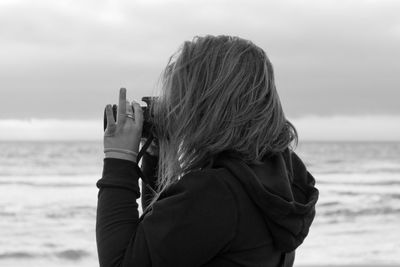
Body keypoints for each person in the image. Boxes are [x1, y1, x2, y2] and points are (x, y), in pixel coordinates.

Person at [96, 35, 319, 267]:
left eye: (181, 98)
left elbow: (121, 263)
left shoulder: (216, 193)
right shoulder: (277, 176)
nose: (175, 109)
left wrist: (119, 159)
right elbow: (162, 244)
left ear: (205, 104)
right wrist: (155, 159)